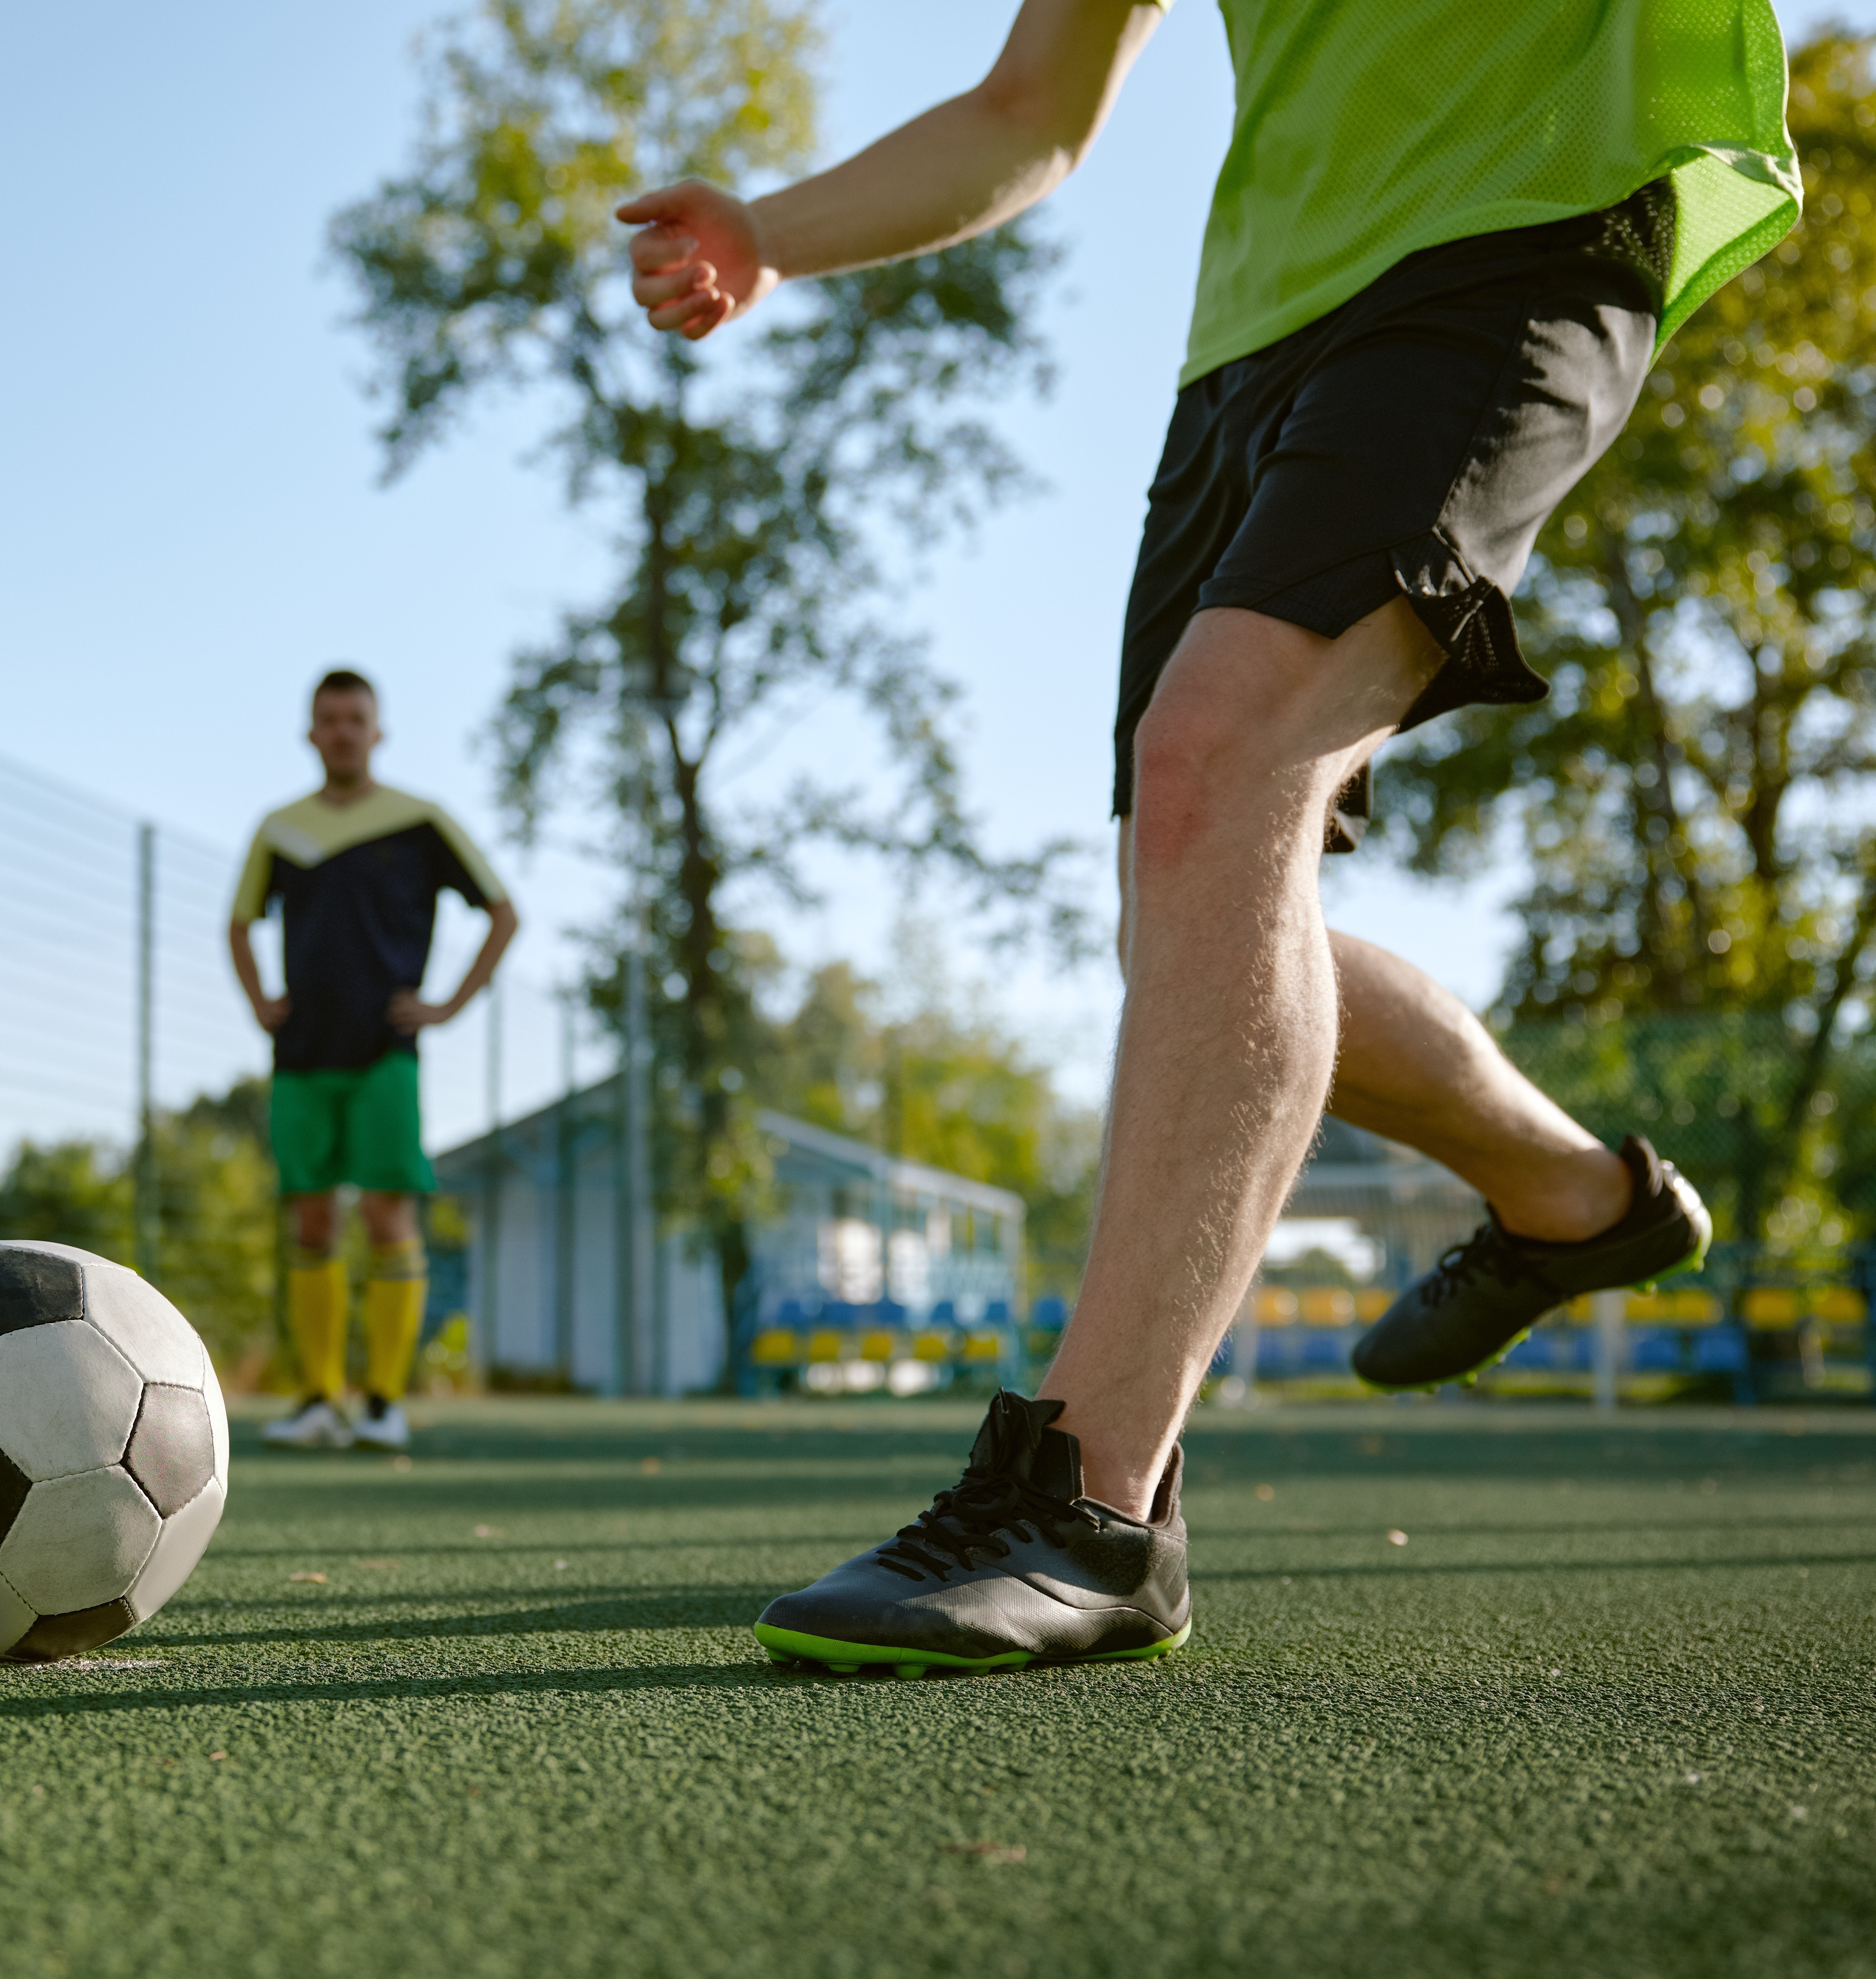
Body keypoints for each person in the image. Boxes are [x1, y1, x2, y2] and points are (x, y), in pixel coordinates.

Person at [620, 0, 1796, 1670]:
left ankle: (1092, 1501)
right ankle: (1568, 1192)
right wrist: (772, 236)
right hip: (1253, 342)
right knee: (1182, 912)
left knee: (1215, 770)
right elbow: (1031, 104)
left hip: (1522, 224)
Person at [231, 668, 519, 1451]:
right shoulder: (279, 828)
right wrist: (261, 1001)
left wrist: (448, 1006)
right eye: (329, 719)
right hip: (301, 1057)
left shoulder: (421, 821)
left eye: (356, 718)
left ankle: (385, 1402)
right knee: (312, 1220)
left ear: (378, 730)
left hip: (386, 1052)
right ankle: (319, 1398)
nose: (343, 731)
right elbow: (238, 924)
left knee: (390, 1217)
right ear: (311, 732)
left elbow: (503, 912)